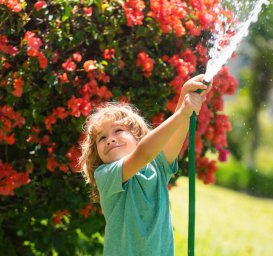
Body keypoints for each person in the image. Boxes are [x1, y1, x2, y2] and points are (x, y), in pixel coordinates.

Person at [79, 74, 210, 256]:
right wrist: (182, 113)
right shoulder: (106, 174)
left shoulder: (157, 166)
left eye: (118, 130)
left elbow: (175, 135)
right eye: (102, 138)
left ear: (138, 136)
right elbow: (143, 152)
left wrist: (184, 95)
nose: (110, 140)